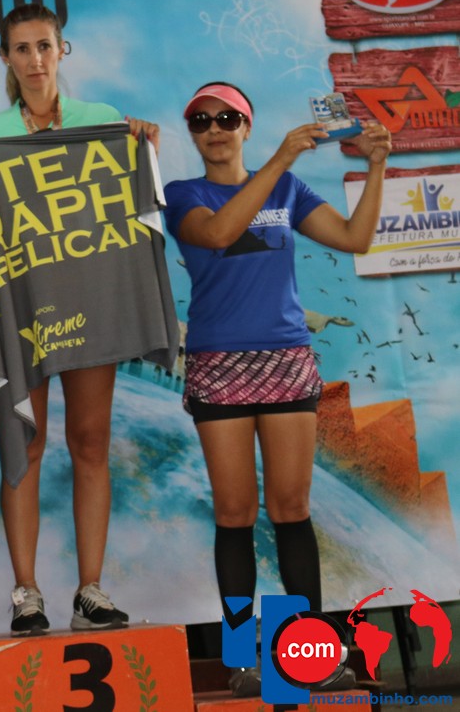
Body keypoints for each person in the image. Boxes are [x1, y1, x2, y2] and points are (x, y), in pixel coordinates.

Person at [163, 82, 389, 696]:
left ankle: (308, 659)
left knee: (291, 510)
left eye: (227, 117)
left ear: (247, 126)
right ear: (192, 132)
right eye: (201, 120)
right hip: (218, 364)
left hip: (286, 361)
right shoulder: (184, 194)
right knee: (235, 514)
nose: (215, 128)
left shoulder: (286, 188)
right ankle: (242, 660)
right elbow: (217, 234)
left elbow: (355, 238)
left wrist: (376, 167)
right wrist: (281, 159)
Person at [0, 3, 160, 636]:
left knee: (91, 442)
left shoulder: (103, 121)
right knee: (27, 444)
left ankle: (90, 590)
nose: (35, 59)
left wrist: (143, 144)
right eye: (22, 49)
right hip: (25, 310)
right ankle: (26, 593)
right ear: (5, 57)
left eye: (44, 46)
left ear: (63, 50)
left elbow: (136, 205)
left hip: (91, 305)